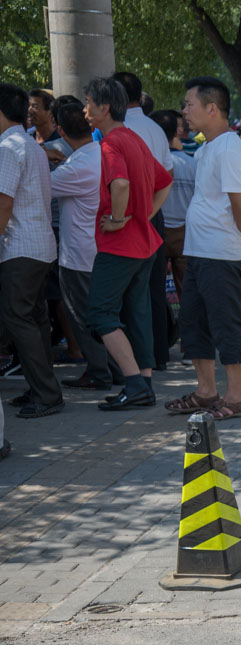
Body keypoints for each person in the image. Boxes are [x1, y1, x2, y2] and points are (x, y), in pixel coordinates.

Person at [167, 76, 241, 420]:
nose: (184, 111)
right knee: (193, 323)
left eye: (189, 104)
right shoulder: (208, 146)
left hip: (222, 252)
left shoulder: (229, 149)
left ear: (212, 108)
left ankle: (235, 398)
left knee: (225, 323)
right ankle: (206, 391)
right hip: (200, 250)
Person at [80, 77, 172, 412]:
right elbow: (166, 182)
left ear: (104, 107)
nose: (85, 108)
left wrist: (120, 218)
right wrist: (144, 214)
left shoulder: (111, 144)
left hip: (119, 245)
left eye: (88, 101)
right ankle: (143, 384)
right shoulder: (134, 138)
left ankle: (133, 383)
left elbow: (119, 184)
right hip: (144, 243)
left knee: (101, 314)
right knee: (138, 313)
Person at [0, 82, 61, 418]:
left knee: (18, 317)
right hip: (39, 245)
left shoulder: (8, 148)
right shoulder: (31, 146)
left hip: (20, 247)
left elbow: (3, 204)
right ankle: (42, 388)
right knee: (35, 320)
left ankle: (46, 393)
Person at [113, 71, 176, 372]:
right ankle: (158, 355)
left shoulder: (119, 129)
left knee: (128, 291)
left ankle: (135, 360)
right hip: (155, 212)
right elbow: (168, 174)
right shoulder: (154, 128)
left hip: (127, 215)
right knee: (153, 288)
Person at [48, 101, 111, 392]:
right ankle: (110, 368)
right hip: (100, 247)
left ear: (60, 129)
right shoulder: (101, 154)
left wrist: (43, 154)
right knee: (103, 312)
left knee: (83, 315)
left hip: (79, 254)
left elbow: (41, 187)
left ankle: (100, 371)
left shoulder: (75, 167)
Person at [152, 109, 195, 299]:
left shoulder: (154, 164)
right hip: (185, 233)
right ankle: (187, 327)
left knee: (154, 290)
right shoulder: (192, 163)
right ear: (175, 132)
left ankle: (163, 327)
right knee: (187, 290)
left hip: (158, 231)